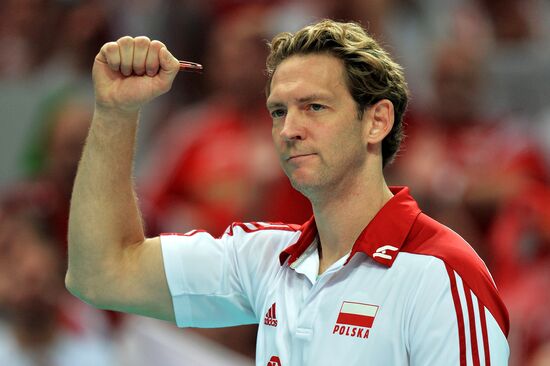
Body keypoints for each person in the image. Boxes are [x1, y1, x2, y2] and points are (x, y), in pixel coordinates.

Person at [65, 19, 510, 365]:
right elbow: (101, 272)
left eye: (314, 107)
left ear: (377, 120)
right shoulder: (266, 258)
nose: (289, 130)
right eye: (278, 111)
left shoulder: (443, 275)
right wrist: (115, 111)